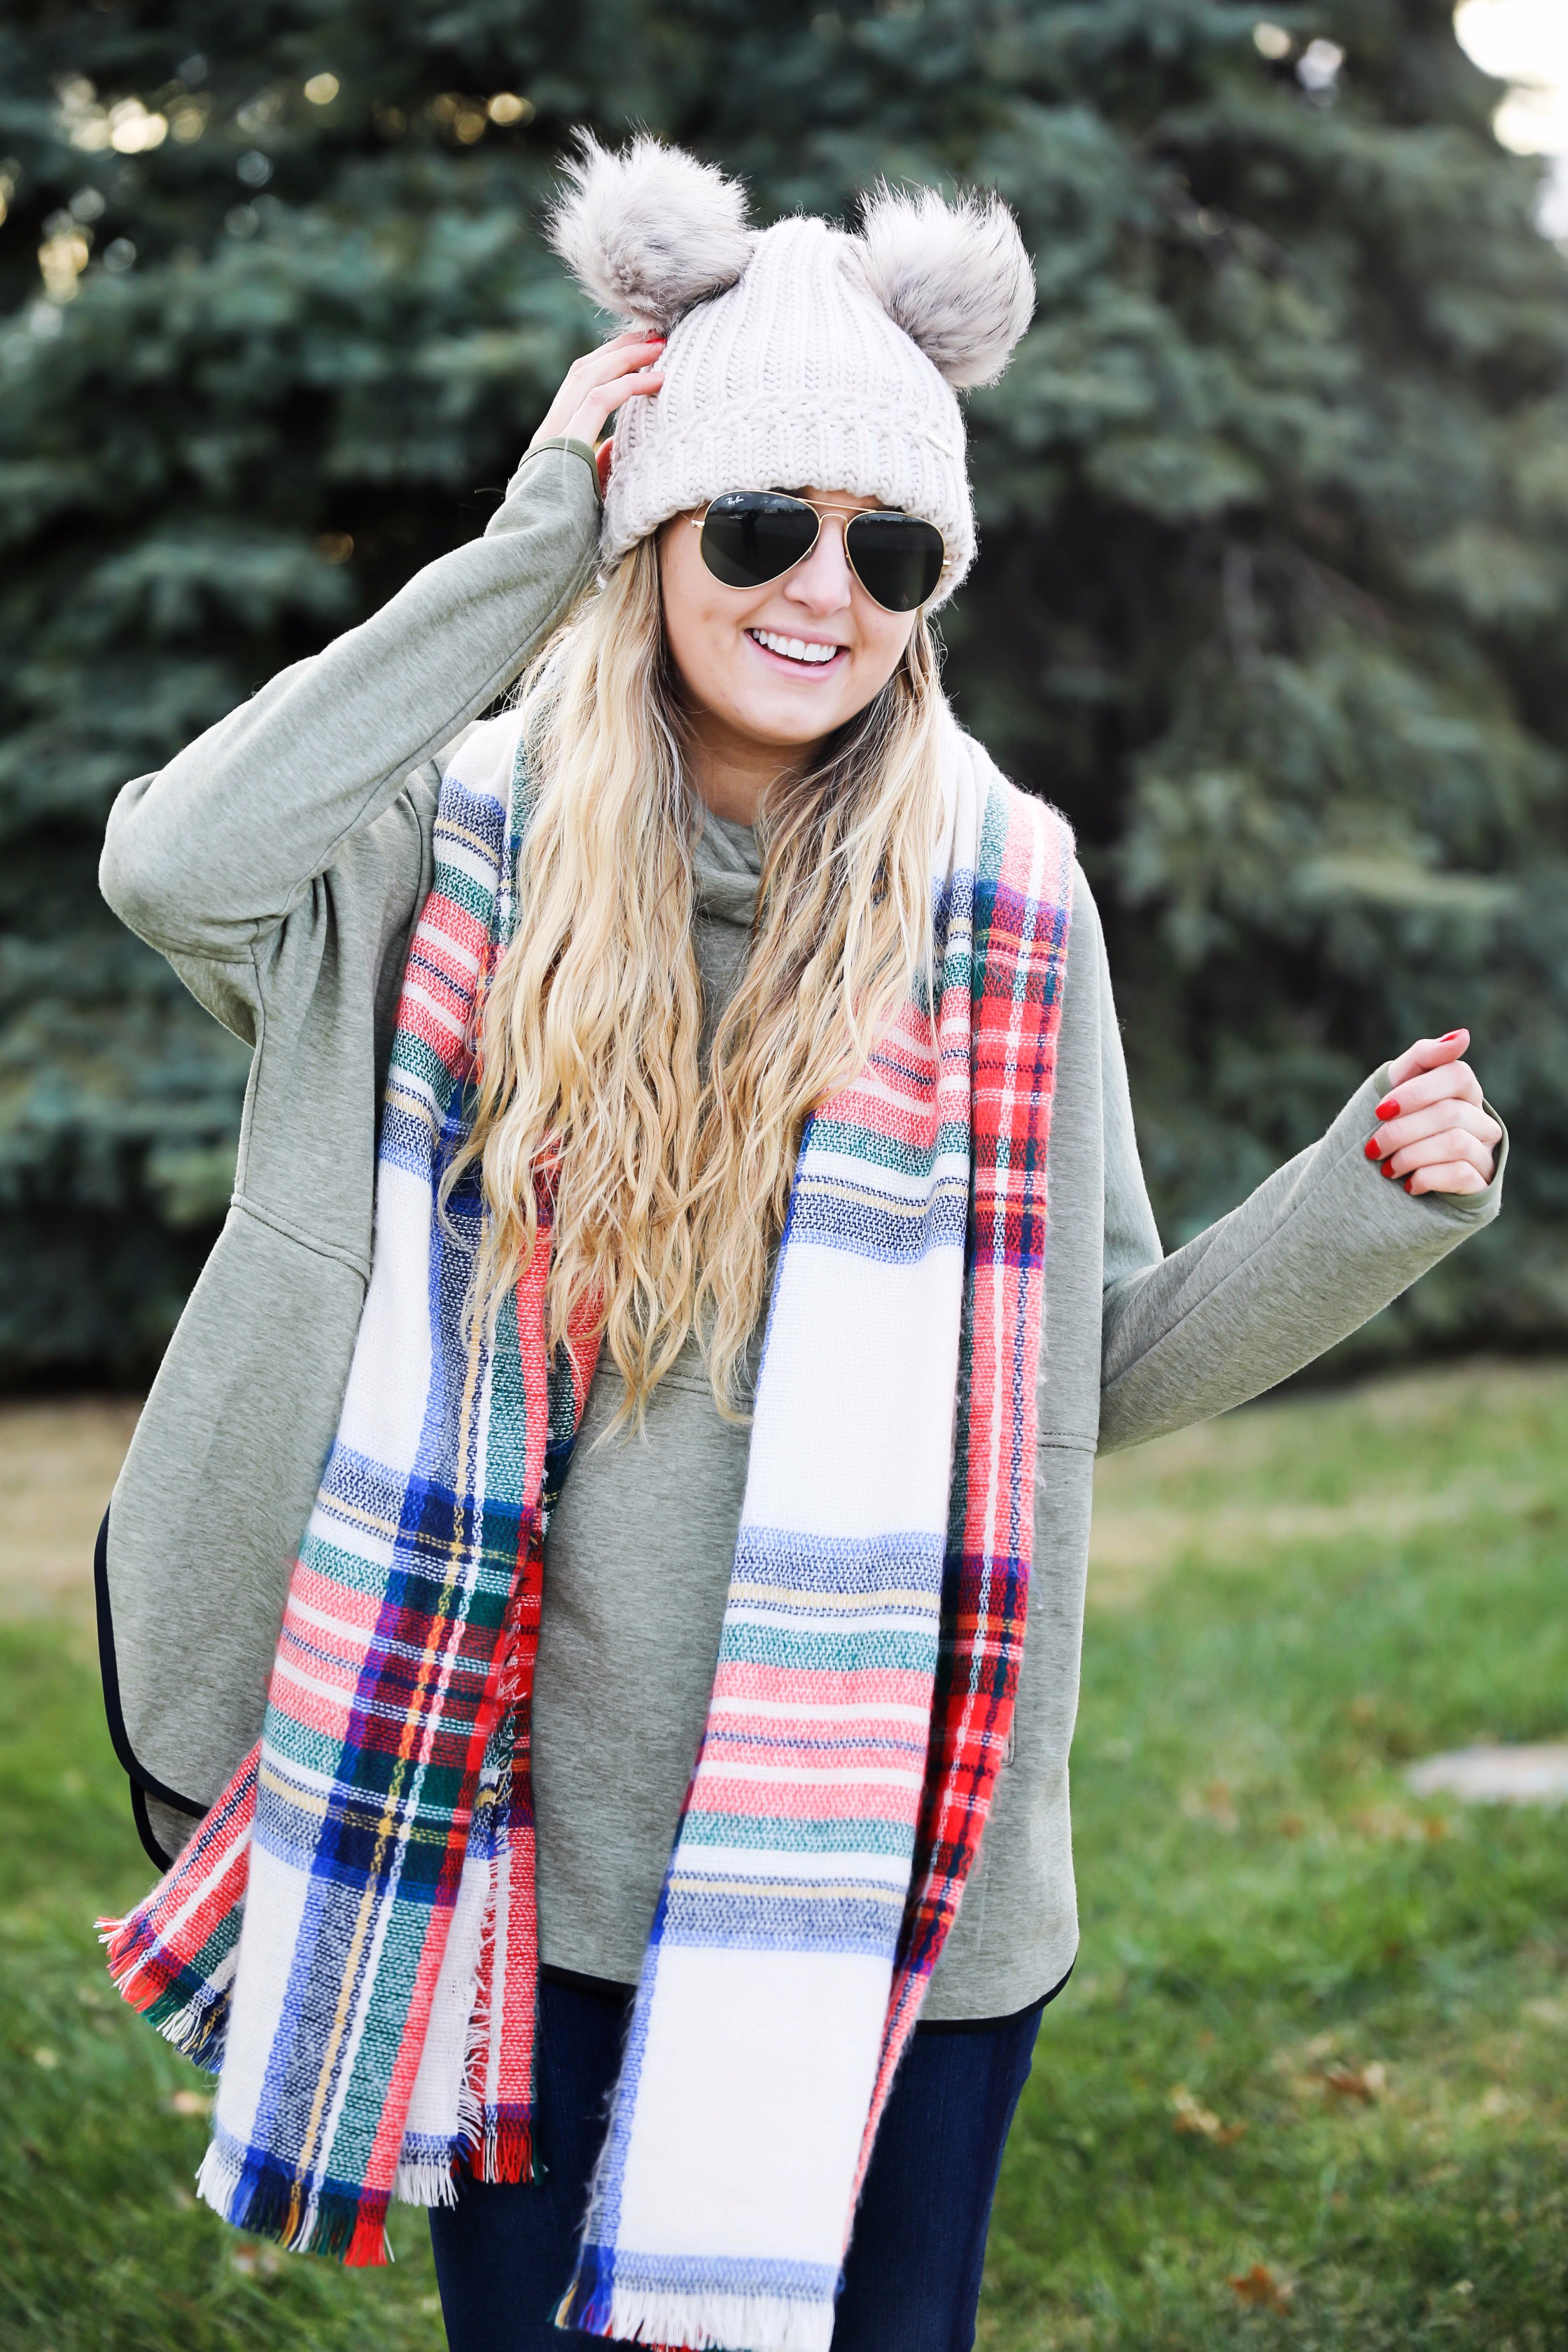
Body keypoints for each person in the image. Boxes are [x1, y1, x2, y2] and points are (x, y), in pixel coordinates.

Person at [95, 137, 1504, 2352]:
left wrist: (1358, 1214)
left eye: (888, 543)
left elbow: (1090, 1369)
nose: (819, 589)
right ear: (663, 536)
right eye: (759, 524)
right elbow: (179, 867)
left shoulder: (1009, 904)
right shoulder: (454, 869)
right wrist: (529, 542)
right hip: (533, 1868)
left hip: (909, 1886)